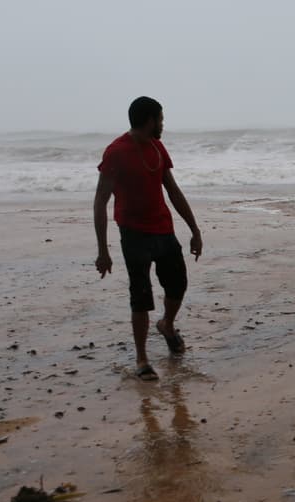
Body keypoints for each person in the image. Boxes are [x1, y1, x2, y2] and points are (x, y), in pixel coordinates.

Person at [94, 96, 203, 380]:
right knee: (141, 296)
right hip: (133, 233)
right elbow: (100, 200)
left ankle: (166, 324)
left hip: (163, 229)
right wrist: (102, 250)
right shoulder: (116, 152)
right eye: (161, 119)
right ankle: (142, 359)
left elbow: (173, 191)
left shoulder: (157, 147)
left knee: (178, 284)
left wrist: (194, 229)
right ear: (150, 120)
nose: (163, 124)